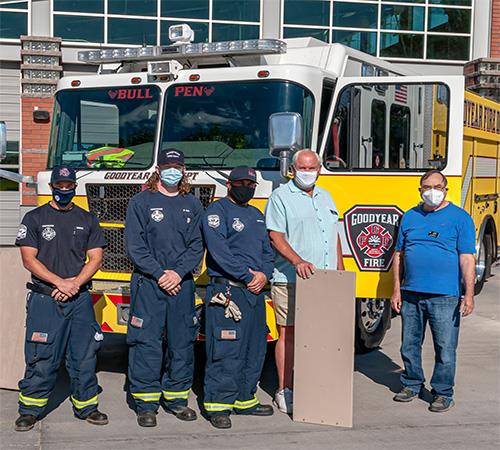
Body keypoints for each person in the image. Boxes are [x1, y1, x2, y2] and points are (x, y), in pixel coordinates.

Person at [14, 165, 108, 432]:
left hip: (78, 299)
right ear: (52, 187)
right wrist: (59, 282)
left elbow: (96, 258)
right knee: (41, 356)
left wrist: (75, 284)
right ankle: (30, 410)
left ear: (74, 188)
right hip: (46, 298)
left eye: (69, 186)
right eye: (59, 186)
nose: (64, 190)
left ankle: (87, 406)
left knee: (85, 355)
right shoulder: (33, 218)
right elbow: (28, 259)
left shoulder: (88, 219)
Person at [124, 149, 204, 427]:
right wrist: (160, 274)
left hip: (181, 285)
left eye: (178, 166)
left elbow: (196, 246)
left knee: (182, 343)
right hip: (149, 284)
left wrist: (177, 273)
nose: (173, 170)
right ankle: (146, 404)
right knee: (146, 343)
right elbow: (134, 246)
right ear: (158, 168)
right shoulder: (140, 202)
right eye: (168, 165)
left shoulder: (192, 204)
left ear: (184, 170)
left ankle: (176, 399)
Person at [265, 149, 344, 414]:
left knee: (322, 336)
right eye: (302, 168)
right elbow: (275, 236)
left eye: (312, 168)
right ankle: (284, 389)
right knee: (289, 334)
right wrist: (297, 261)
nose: (307, 173)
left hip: (325, 280)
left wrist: (339, 270)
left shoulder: (326, 196)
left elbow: (333, 234)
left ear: (319, 170)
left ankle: (318, 389)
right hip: (290, 278)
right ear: (292, 169)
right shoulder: (280, 197)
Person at [391, 170, 476, 413]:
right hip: (411, 293)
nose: (432, 192)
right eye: (427, 187)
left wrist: (468, 294)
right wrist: (396, 289)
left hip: (445, 296)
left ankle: (442, 392)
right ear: (419, 190)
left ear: (446, 189)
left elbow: (467, 258)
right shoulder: (409, 216)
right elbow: (399, 255)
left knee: (445, 348)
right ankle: (411, 383)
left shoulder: (460, 218)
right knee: (409, 344)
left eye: (437, 187)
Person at [202, 166, 274, 429]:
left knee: (255, 348)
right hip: (228, 291)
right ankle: (218, 405)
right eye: (241, 182)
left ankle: (245, 399)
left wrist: (264, 275)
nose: (246, 187)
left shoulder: (256, 215)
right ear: (229, 185)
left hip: (255, 293)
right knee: (226, 349)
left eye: (251, 184)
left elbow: (268, 251)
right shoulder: (216, 212)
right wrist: (246, 275)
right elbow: (219, 251)